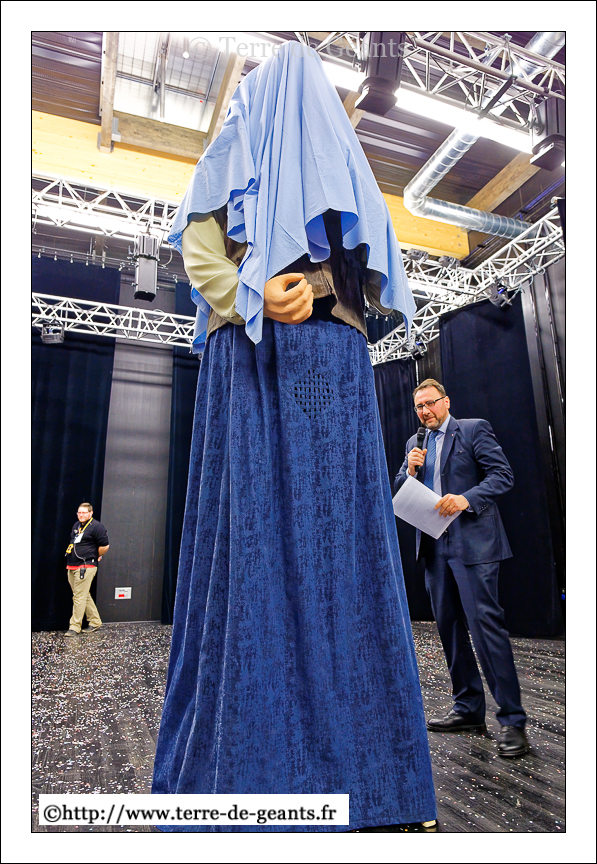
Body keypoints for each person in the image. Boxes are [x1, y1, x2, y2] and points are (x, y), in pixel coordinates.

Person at [151, 42, 437, 832]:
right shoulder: (235, 148)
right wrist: (248, 296)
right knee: (255, 537)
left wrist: (323, 294)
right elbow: (200, 250)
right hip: (254, 356)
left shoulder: (339, 160)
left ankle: (367, 775)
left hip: (329, 361)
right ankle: (259, 768)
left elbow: (369, 271)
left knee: (340, 543)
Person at [394, 379, 529, 757]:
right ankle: (468, 709)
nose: (424, 411)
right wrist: (410, 471)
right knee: (450, 630)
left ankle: (512, 720)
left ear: (446, 401)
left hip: (474, 545)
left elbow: (502, 475)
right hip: (434, 547)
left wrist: (465, 499)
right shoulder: (415, 443)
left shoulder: (472, 430)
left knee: (485, 629)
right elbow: (400, 486)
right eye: (419, 406)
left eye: (430, 403)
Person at [64, 503, 109, 637]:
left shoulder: (97, 526)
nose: (81, 515)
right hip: (72, 565)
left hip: (86, 566)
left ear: (91, 513)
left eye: (84, 512)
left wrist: (95, 555)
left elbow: (105, 545)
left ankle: (74, 626)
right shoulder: (76, 525)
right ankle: (95, 621)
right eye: (79, 513)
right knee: (82, 595)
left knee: (79, 596)